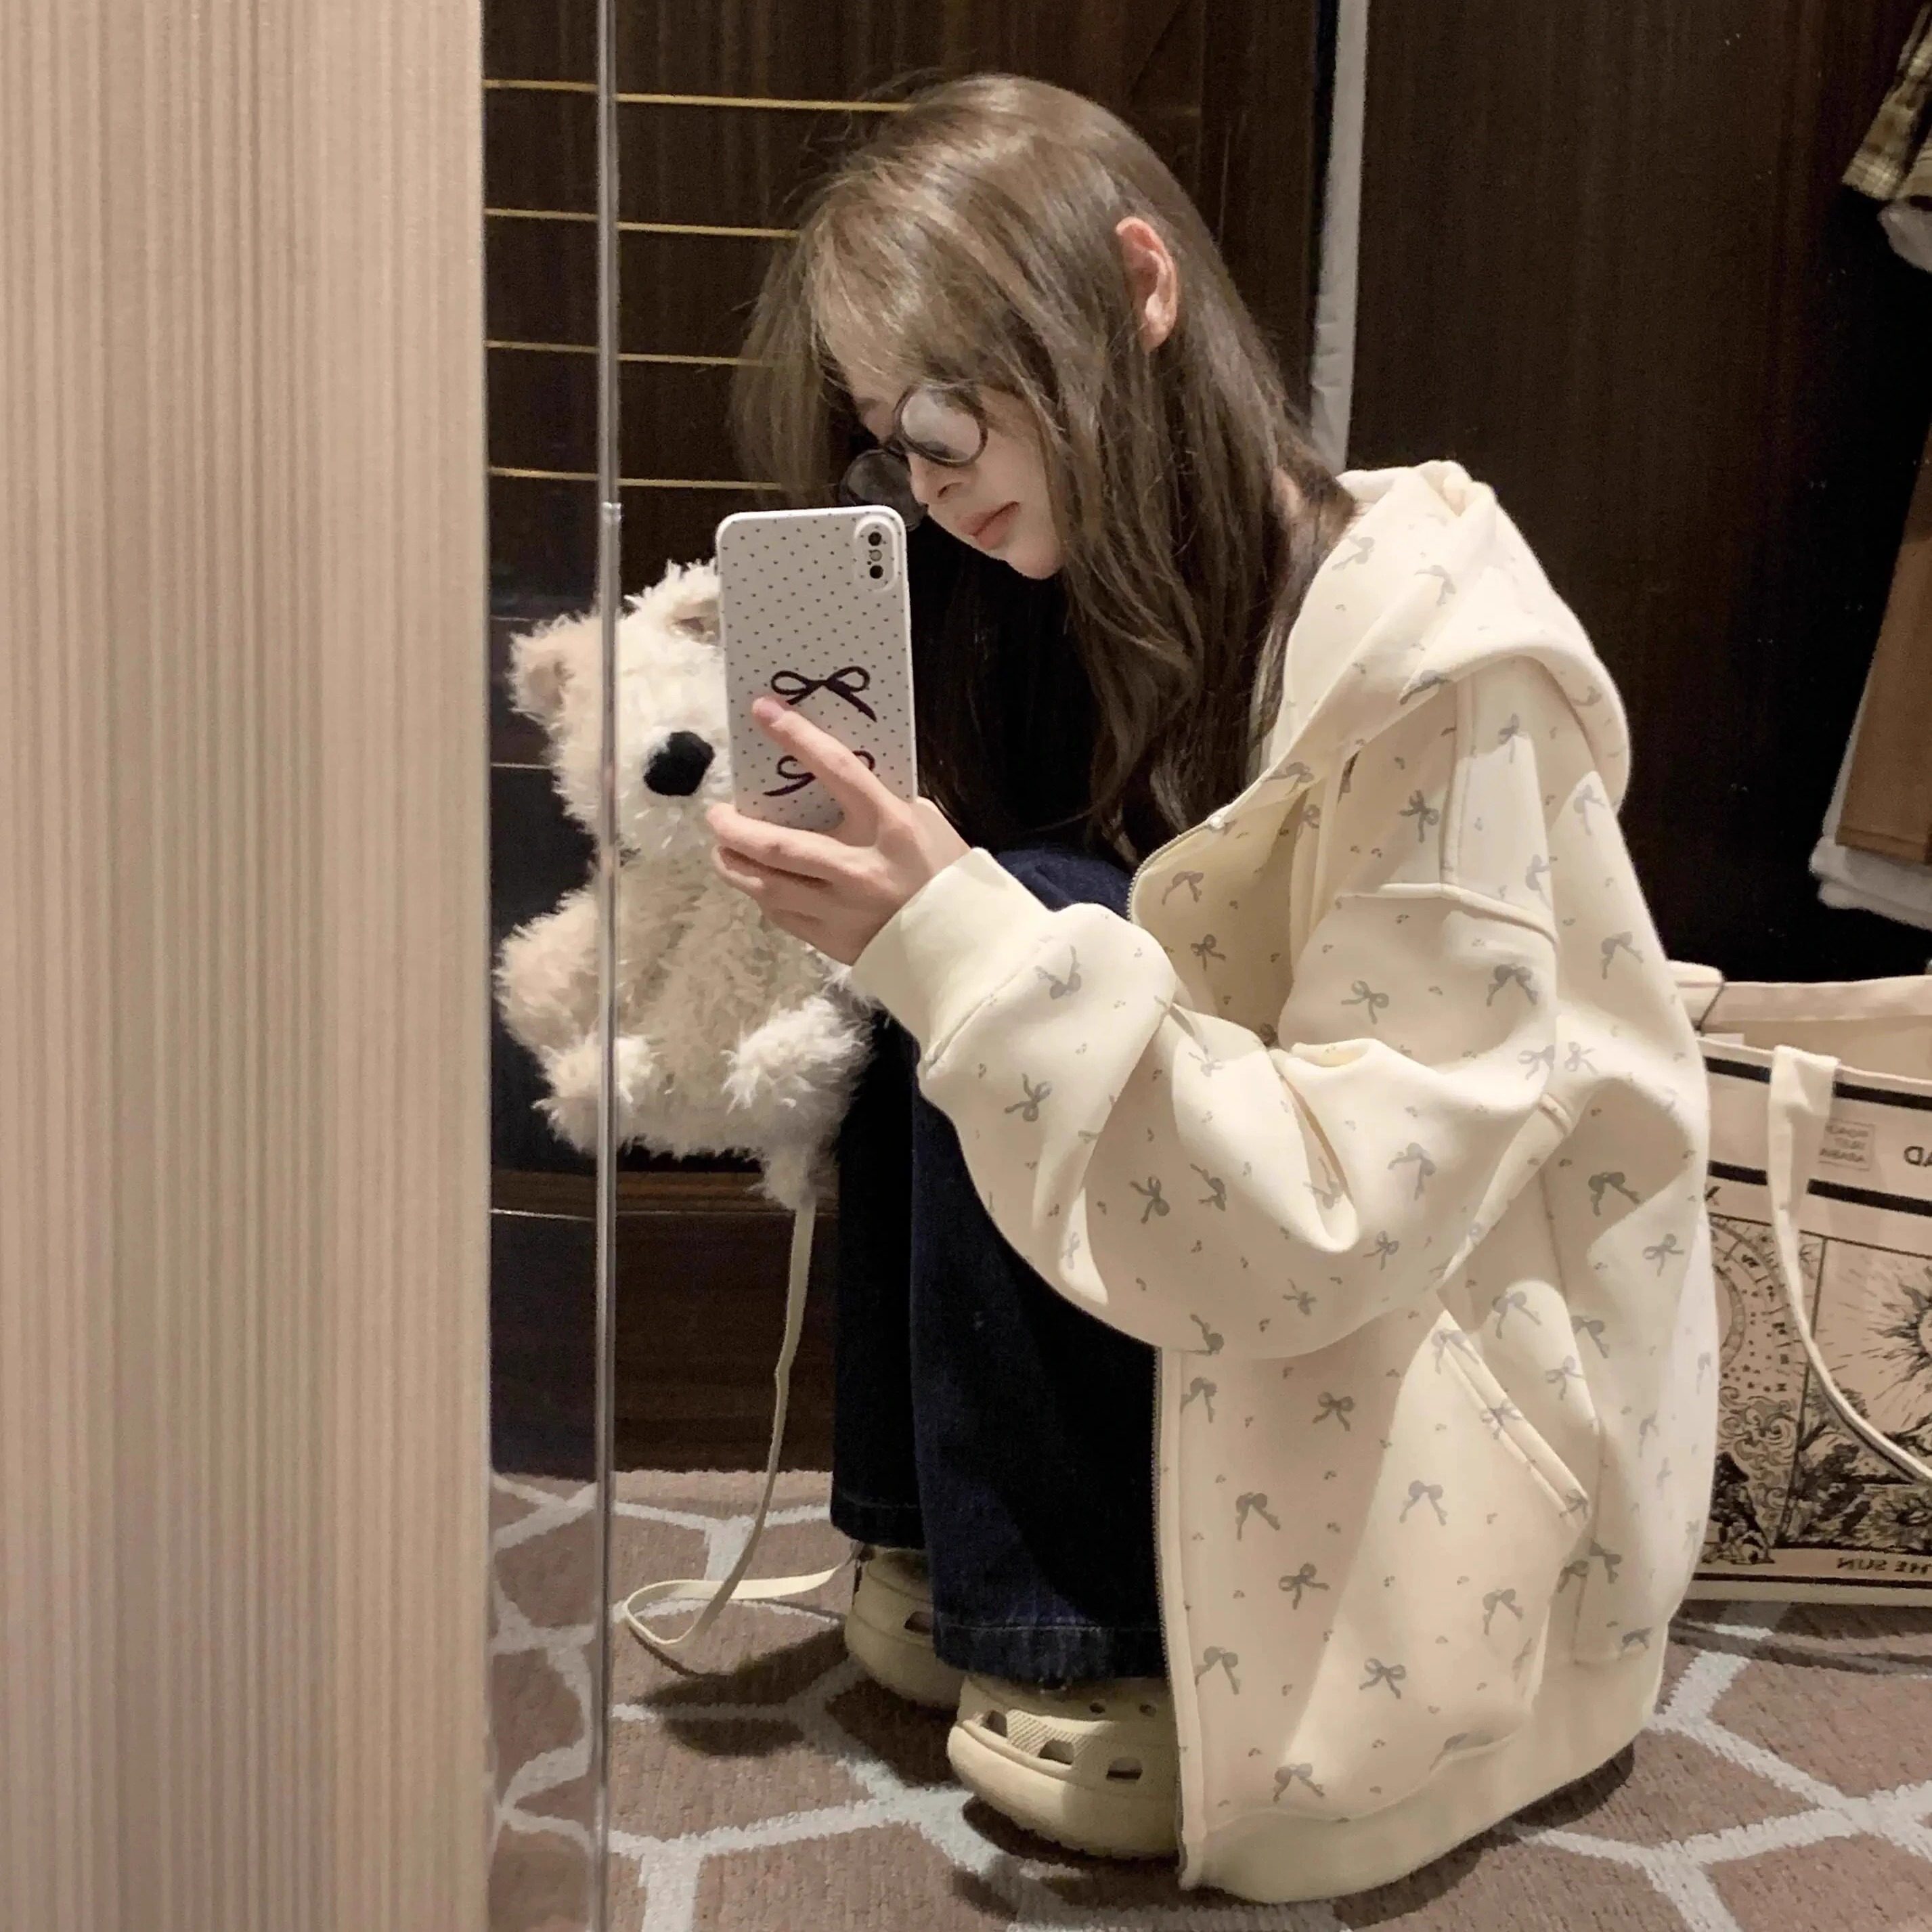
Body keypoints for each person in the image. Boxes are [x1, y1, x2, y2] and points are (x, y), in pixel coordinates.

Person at [702, 71, 1717, 1907]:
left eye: (944, 417)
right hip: (1239, 1267)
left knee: (1010, 930)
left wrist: (973, 934)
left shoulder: (1435, 667)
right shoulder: (1059, 590)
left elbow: (1364, 1191)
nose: (924, 482)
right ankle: (945, 1540)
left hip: (1441, 1300)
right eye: (884, 439)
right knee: (968, 936)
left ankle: (1093, 1629)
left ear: (1138, 287)